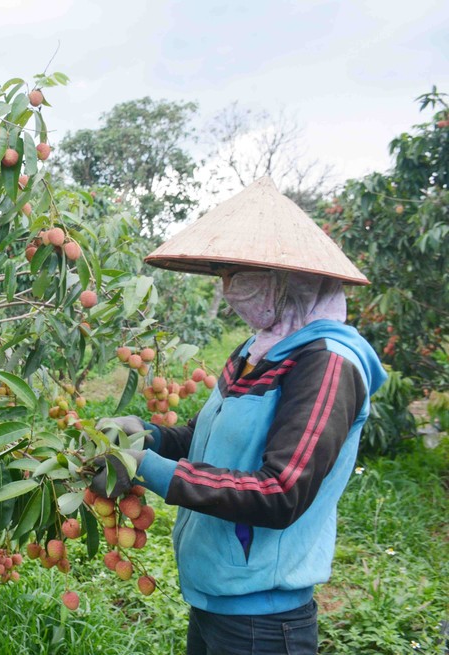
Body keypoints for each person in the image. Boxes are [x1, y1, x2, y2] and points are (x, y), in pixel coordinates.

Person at [91, 177, 387, 655]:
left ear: (296, 277)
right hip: (215, 599)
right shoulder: (259, 347)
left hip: (265, 622)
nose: (231, 284)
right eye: (227, 271)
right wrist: (150, 438)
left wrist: (144, 468)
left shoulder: (328, 362)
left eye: (245, 271)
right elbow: (206, 437)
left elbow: (279, 493)